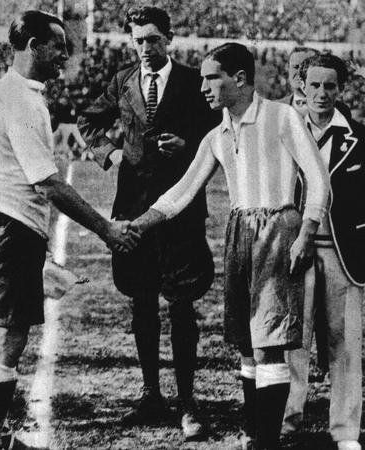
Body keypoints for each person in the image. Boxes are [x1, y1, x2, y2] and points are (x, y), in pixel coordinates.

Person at [129, 43, 330, 450]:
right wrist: (139, 224)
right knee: (245, 341)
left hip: (279, 226)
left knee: (269, 339)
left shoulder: (282, 116)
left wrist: (307, 232)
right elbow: (182, 190)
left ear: (238, 79)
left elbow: (317, 178)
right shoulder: (217, 133)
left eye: (211, 77)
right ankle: (255, 432)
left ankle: (267, 442)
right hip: (240, 230)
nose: (203, 86)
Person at [0, 11, 140, 449]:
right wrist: (106, 228)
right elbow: (48, 182)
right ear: (33, 47)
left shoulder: (15, 91)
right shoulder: (20, 98)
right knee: (6, 335)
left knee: (6, 333)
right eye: (57, 45)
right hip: (10, 226)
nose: (65, 54)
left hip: (13, 225)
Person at [78, 6, 220, 440]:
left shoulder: (194, 80)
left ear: (170, 39)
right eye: (138, 40)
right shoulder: (122, 79)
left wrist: (189, 143)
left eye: (153, 39)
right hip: (134, 210)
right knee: (141, 300)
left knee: (181, 304)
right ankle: (150, 395)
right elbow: (88, 119)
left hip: (181, 210)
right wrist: (112, 154)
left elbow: (220, 126)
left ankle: (188, 402)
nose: (144, 47)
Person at [286, 53, 365, 450]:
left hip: (343, 254)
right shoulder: (285, 132)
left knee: (345, 344)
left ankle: (346, 431)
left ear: (341, 88)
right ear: (301, 85)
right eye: (314, 85)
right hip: (293, 251)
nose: (321, 93)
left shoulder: (359, 136)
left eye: (330, 86)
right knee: (291, 341)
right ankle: (286, 421)